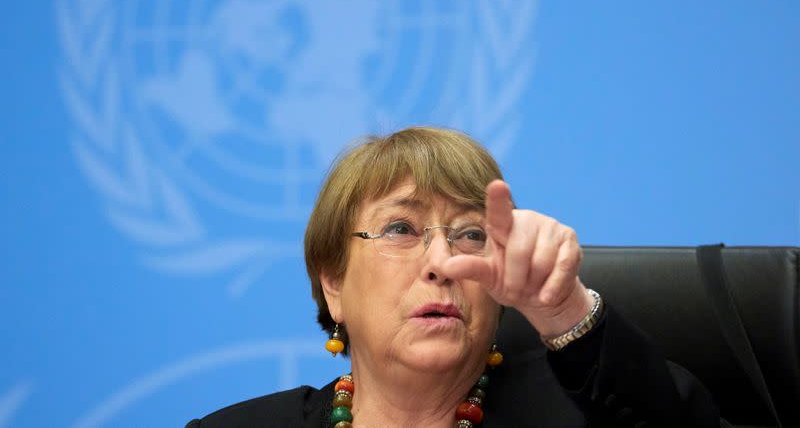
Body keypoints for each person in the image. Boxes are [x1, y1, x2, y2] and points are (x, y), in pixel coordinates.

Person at [187, 127, 724, 427]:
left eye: (471, 235)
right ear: (333, 284)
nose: (441, 263)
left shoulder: (577, 419)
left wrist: (566, 312)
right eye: (400, 228)